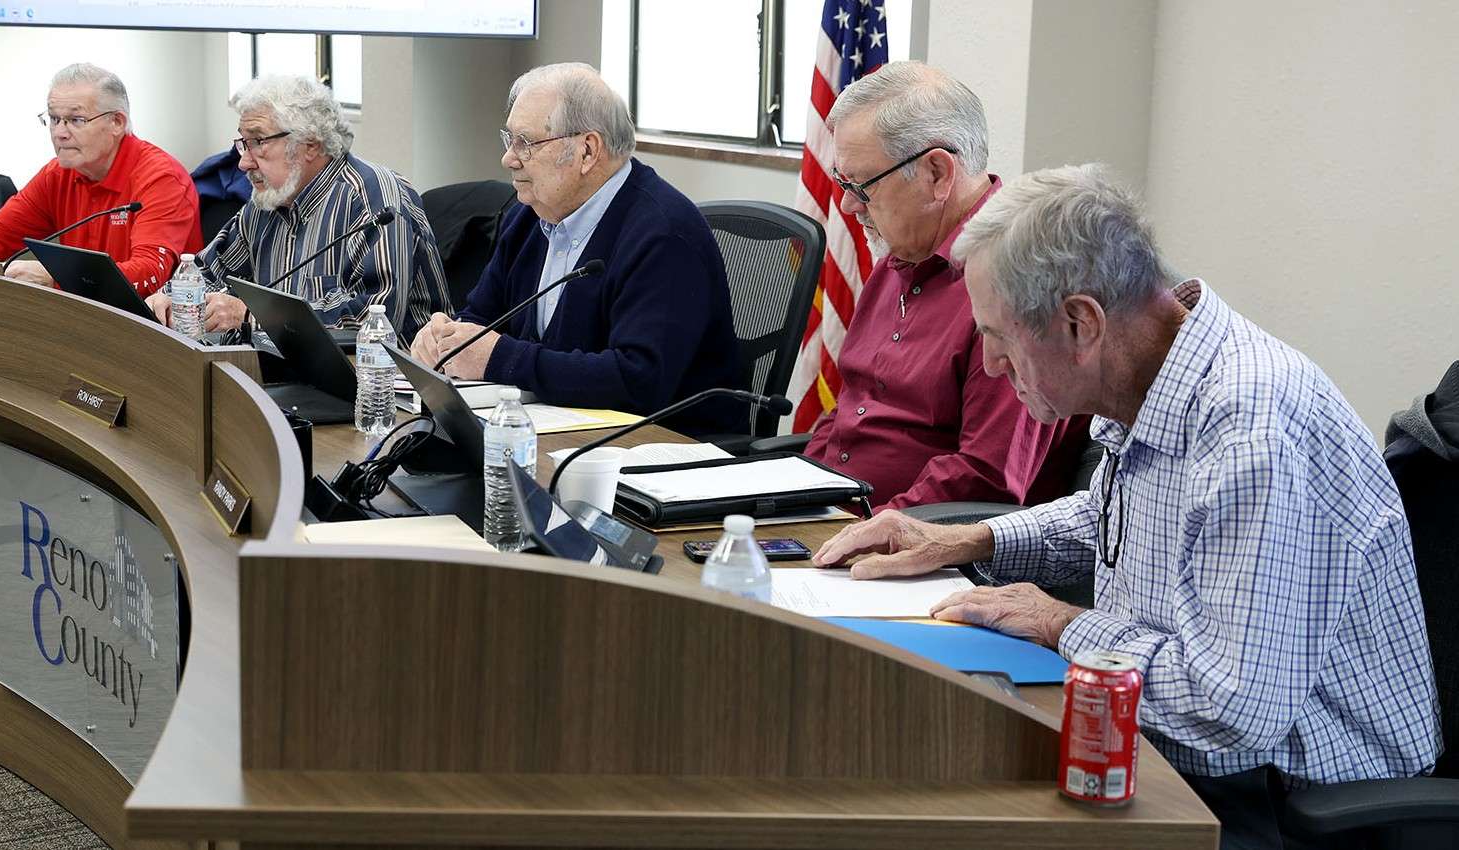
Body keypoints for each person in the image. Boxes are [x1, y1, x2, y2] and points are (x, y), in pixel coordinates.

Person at [813, 164, 1440, 848]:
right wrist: (967, 540)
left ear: (1080, 323)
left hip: (1287, 805)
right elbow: (1107, 517)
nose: (990, 365)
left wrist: (1057, 622)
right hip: (1182, 753)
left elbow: (1229, 707)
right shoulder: (1154, 371)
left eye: (998, 336)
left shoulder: (1250, 430)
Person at [804, 62, 1084, 512]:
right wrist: (787, 498)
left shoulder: (1019, 277)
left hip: (920, 554)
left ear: (937, 174)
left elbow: (986, 477)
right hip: (833, 523)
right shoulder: (901, 253)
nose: (847, 203)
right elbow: (849, 414)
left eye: (860, 185)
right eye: (841, 182)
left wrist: (860, 533)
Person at [408, 63, 742, 435]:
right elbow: (483, 316)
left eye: (526, 143)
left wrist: (499, 357)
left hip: (660, 450)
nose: (509, 159)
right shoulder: (528, 217)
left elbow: (638, 381)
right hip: (556, 434)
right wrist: (448, 337)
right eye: (510, 140)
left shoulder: (664, 234)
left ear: (587, 151)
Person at [149, 75, 437, 338]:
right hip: (284, 375)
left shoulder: (377, 203)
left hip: (381, 383)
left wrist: (254, 317)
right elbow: (210, 271)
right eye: (244, 143)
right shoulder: (267, 201)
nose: (244, 162)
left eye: (258, 142)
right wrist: (169, 297)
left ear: (310, 144)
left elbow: (374, 320)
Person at [0, 63, 201, 295]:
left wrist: (56, 278)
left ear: (117, 122)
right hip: (81, 318)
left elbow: (149, 275)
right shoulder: (58, 174)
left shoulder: (161, 178)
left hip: (152, 328)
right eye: (54, 119)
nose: (59, 133)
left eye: (76, 120)